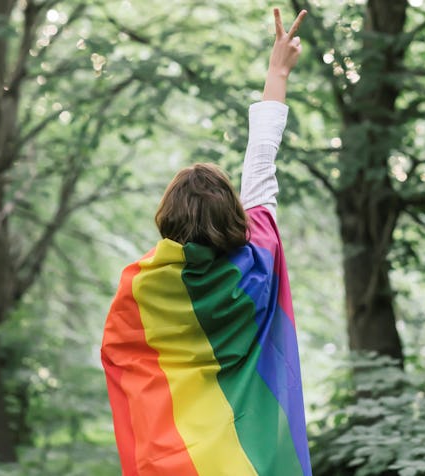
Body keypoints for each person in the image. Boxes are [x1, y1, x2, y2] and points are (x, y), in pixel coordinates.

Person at [101, 8, 311, 476]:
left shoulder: (142, 287)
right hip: (251, 461)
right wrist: (277, 71)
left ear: (166, 218)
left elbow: (125, 360)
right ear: (232, 216)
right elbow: (261, 158)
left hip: (173, 463)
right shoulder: (259, 259)